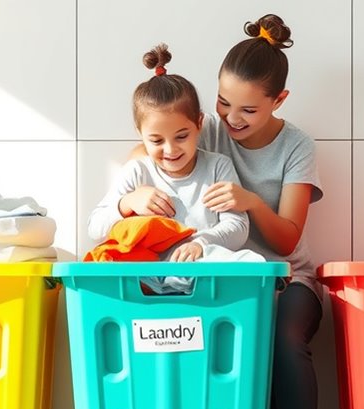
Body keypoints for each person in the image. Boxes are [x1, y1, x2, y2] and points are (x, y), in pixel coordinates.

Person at [127, 14, 324, 409]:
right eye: (222, 103)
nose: (232, 119)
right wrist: (132, 196)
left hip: (286, 281)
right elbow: (145, 155)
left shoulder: (297, 147)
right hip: (219, 283)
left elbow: (287, 240)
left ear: (279, 101)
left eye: (248, 110)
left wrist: (251, 202)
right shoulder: (206, 129)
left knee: (283, 342)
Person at [89, 44, 249, 263]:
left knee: (250, 260)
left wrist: (201, 243)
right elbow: (95, 228)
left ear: (199, 123)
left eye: (181, 137)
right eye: (156, 140)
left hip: (203, 271)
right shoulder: (137, 172)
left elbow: (238, 226)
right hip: (149, 276)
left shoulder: (217, 167)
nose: (171, 150)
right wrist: (127, 203)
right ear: (140, 133)